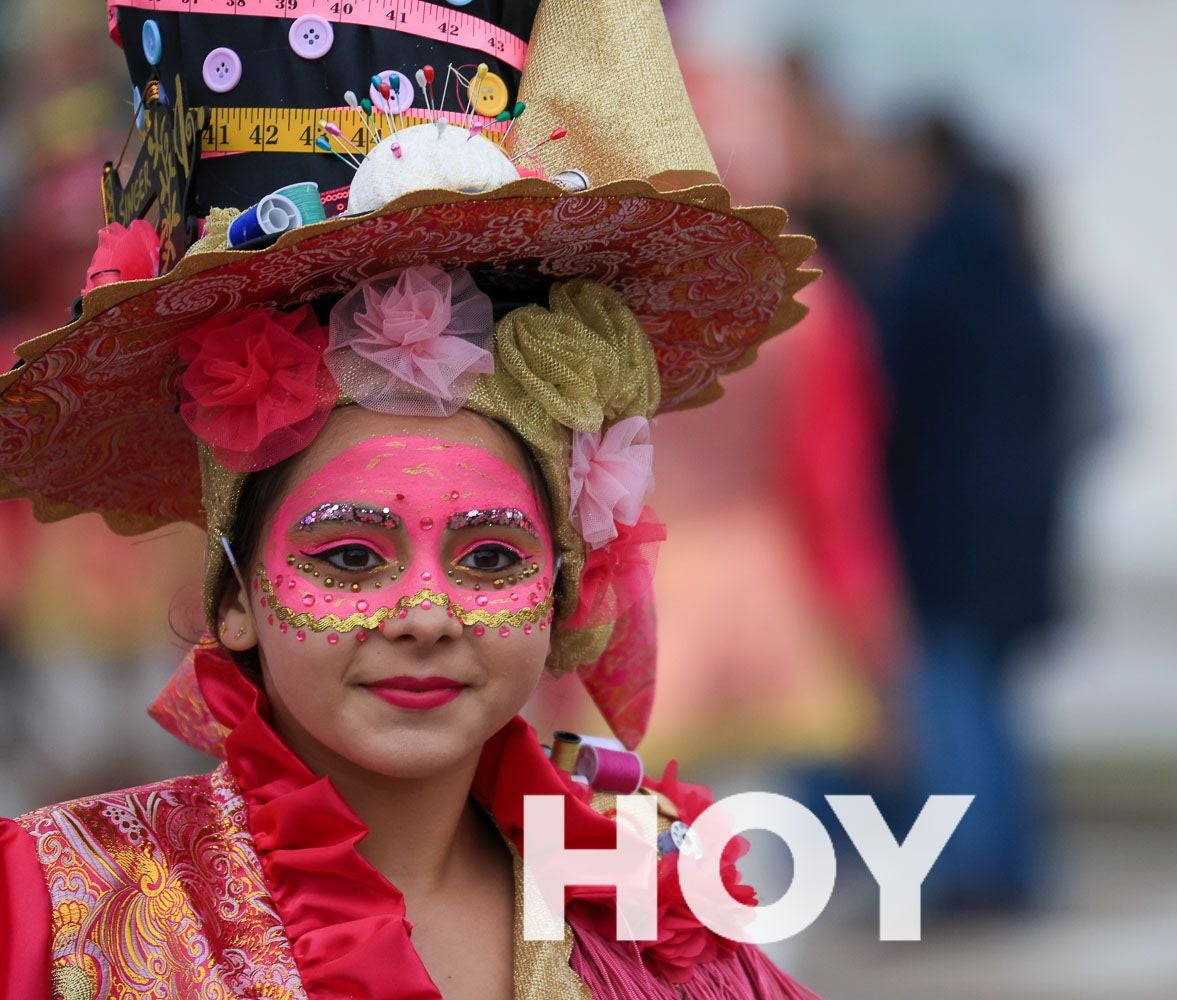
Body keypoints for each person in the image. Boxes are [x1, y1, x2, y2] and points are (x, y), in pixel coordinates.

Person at [0, 1, 823, 996]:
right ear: (232, 595)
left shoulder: (667, 924)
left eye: (490, 557)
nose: (427, 613)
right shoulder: (61, 911)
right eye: (349, 555)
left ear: (562, 589)